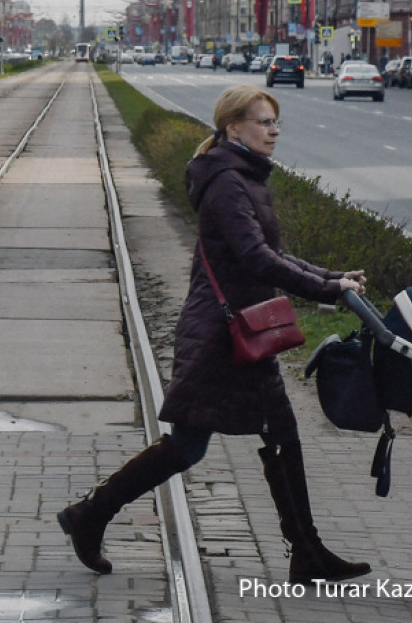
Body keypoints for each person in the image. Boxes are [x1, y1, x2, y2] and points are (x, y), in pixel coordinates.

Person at [56, 85, 371, 581]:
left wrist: (332, 280)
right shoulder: (227, 181)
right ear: (233, 129)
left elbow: (272, 254)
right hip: (222, 335)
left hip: (244, 328)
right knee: (190, 444)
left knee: (274, 433)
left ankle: (306, 550)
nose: (274, 131)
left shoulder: (242, 176)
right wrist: (325, 290)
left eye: (275, 122)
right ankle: (89, 514)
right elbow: (256, 257)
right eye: (264, 122)